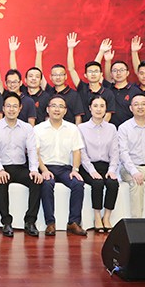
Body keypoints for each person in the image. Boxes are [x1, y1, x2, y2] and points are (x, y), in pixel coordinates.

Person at [0, 92, 43, 237]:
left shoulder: (27, 128)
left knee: (36, 180)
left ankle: (30, 221)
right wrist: (0, 170)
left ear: (20, 109)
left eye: (14, 106)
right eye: (8, 106)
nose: (11, 109)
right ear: (3, 108)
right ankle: (6, 222)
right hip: (1, 167)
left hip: (20, 167)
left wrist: (34, 170)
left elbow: (32, 150)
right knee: (2, 181)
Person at [35, 95, 87, 236]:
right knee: (47, 184)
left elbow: (76, 151)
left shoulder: (72, 128)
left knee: (78, 184)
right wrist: (44, 170)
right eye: (54, 106)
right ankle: (50, 223)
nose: (57, 109)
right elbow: (35, 153)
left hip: (65, 168)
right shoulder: (38, 129)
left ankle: (73, 222)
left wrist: (75, 169)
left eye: (60, 106)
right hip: (46, 167)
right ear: (48, 109)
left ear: (65, 111)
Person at [77, 95, 120, 233]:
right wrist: (92, 171)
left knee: (113, 184)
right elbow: (82, 153)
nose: (98, 109)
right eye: (95, 106)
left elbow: (115, 152)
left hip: (106, 166)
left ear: (106, 109)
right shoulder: (81, 128)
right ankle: (97, 217)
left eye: (102, 106)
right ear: (90, 108)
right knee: (97, 183)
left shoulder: (112, 128)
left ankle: (106, 217)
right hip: (88, 166)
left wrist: (112, 170)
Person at [66, 32, 115, 123]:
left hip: (101, 128)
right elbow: (71, 69)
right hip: (83, 128)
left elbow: (108, 115)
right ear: (85, 75)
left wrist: (98, 127)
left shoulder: (108, 92)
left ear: (101, 74)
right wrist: (70, 48)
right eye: (90, 72)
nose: (93, 74)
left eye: (96, 72)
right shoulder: (82, 88)